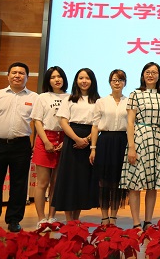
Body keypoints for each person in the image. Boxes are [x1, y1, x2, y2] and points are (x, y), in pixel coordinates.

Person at [0, 62, 38, 235]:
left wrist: (35, 144)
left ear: (27, 77)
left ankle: (14, 220)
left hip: (21, 145)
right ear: (8, 75)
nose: (17, 75)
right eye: (14, 72)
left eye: (21, 73)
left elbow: (38, 123)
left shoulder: (34, 97)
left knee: (19, 185)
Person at [119, 62, 160, 231]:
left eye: (154, 72)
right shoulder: (135, 94)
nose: (150, 75)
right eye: (147, 72)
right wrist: (131, 147)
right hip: (139, 138)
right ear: (142, 75)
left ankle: (148, 221)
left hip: (158, 140)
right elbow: (130, 122)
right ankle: (136, 222)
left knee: (152, 185)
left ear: (159, 76)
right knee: (135, 183)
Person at [53, 68, 100, 221]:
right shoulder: (69, 99)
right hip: (71, 140)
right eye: (81, 78)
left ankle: (76, 219)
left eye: (87, 78)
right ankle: (69, 221)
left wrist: (87, 139)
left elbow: (99, 124)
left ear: (92, 81)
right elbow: (63, 122)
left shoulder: (98, 101)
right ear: (76, 81)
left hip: (90, 139)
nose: (84, 81)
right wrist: (76, 139)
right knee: (69, 180)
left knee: (82, 180)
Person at [31, 66, 69, 229]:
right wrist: (46, 141)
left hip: (64, 138)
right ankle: (41, 219)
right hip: (45, 138)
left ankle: (52, 217)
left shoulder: (70, 97)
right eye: (53, 77)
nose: (57, 79)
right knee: (42, 182)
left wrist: (66, 141)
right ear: (48, 80)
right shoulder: (42, 97)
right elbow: (37, 121)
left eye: (59, 76)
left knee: (56, 182)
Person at [89, 70, 129, 226]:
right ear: (109, 82)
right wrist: (93, 148)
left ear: (125, 82)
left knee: (118, 181)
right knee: (104, 181)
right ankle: (104, 217)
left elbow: (131, 125)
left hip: (122, 141)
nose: (117, 83)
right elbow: (95, 126)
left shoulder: (129, 101)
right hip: (104, 141)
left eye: (120, 80)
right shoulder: (101, 102)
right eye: (114, 80)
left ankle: (114, 217)